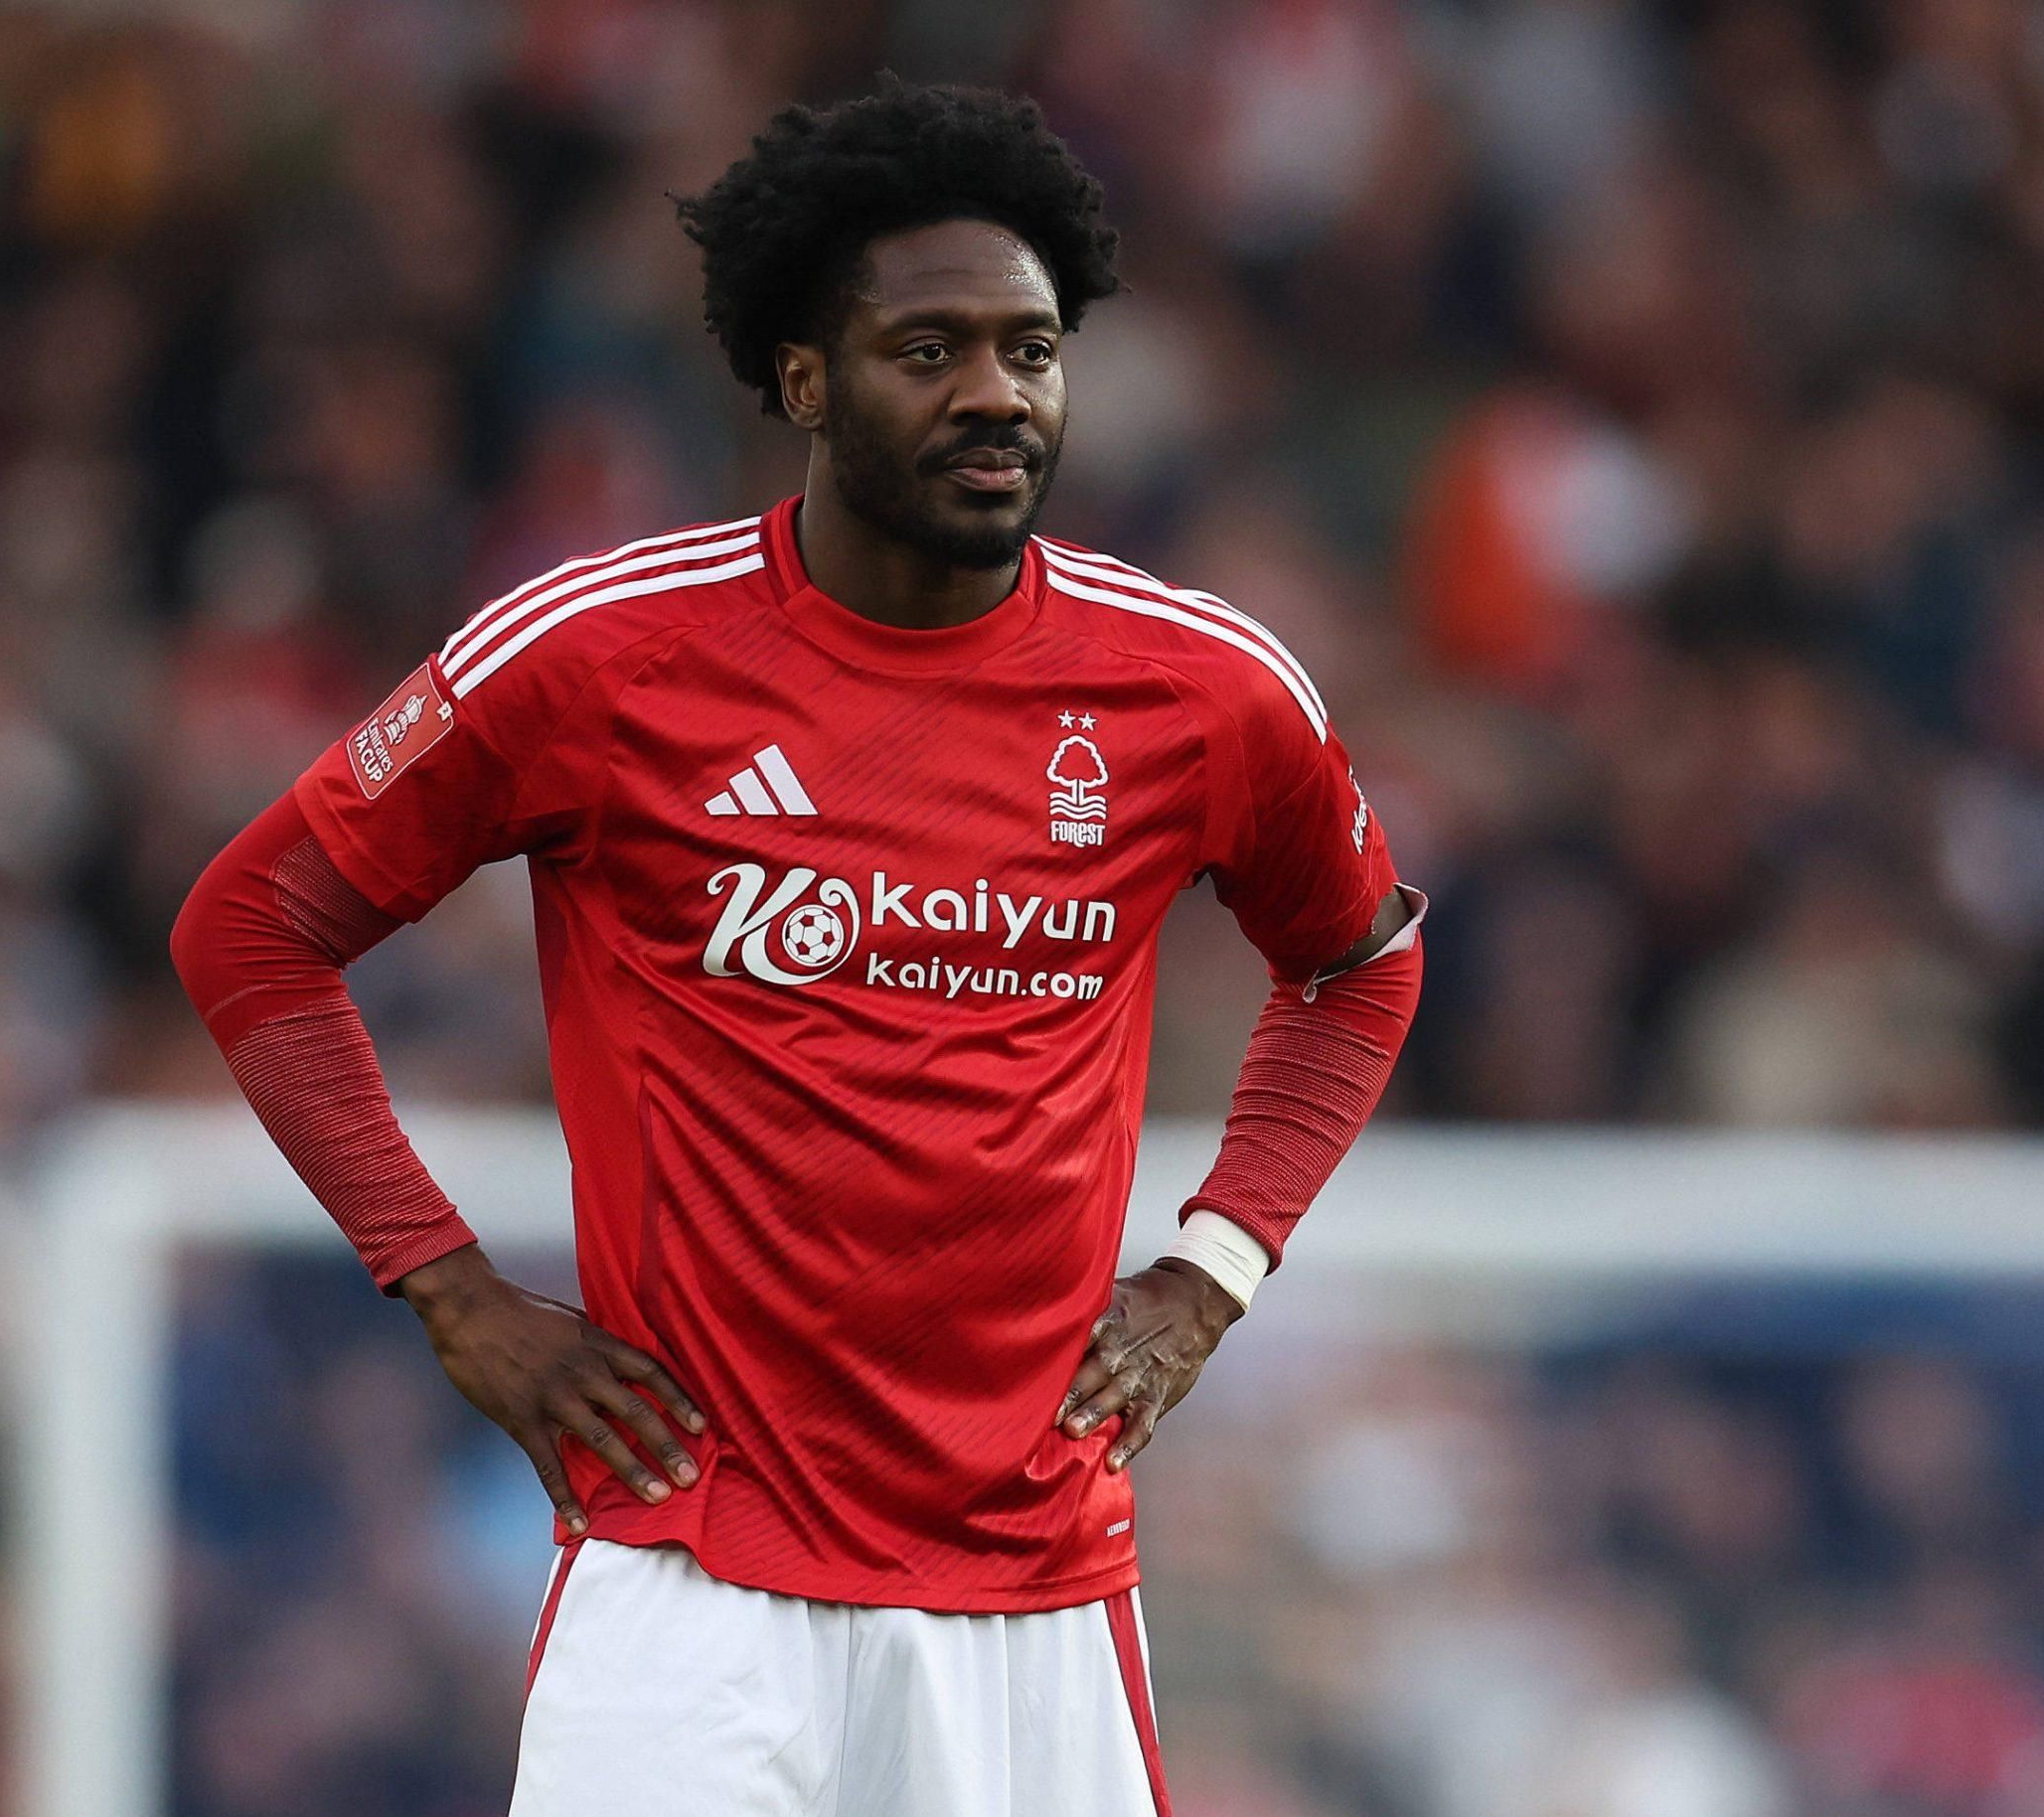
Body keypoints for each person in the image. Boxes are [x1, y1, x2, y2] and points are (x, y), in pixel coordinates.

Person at [172, 77, 1424, 1817]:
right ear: (805, 378)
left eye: (1031, 350)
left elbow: (1360, 964)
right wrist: (449, 1288)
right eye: (929, 350)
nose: (995, 393)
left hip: (1035, 1589)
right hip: (690, 1577)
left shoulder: (1198, 687)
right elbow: (252, 926)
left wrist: (1213, 1269)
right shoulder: (603, 655)